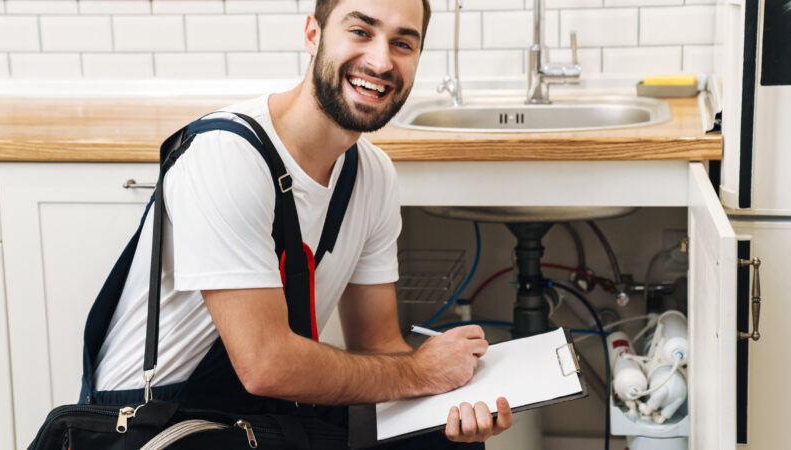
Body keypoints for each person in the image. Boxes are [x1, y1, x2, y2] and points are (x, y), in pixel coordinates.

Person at [84, 0, 513, 447]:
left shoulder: (372, 174)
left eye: (402, 43)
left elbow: (378, 345)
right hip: (156, 424)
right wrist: (420, 371)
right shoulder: (227, 155)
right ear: (313, 34)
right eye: (361, 32)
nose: (382, 61)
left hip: (259, 416)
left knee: (442, 439)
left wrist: (456, 400)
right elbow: (265, 363)